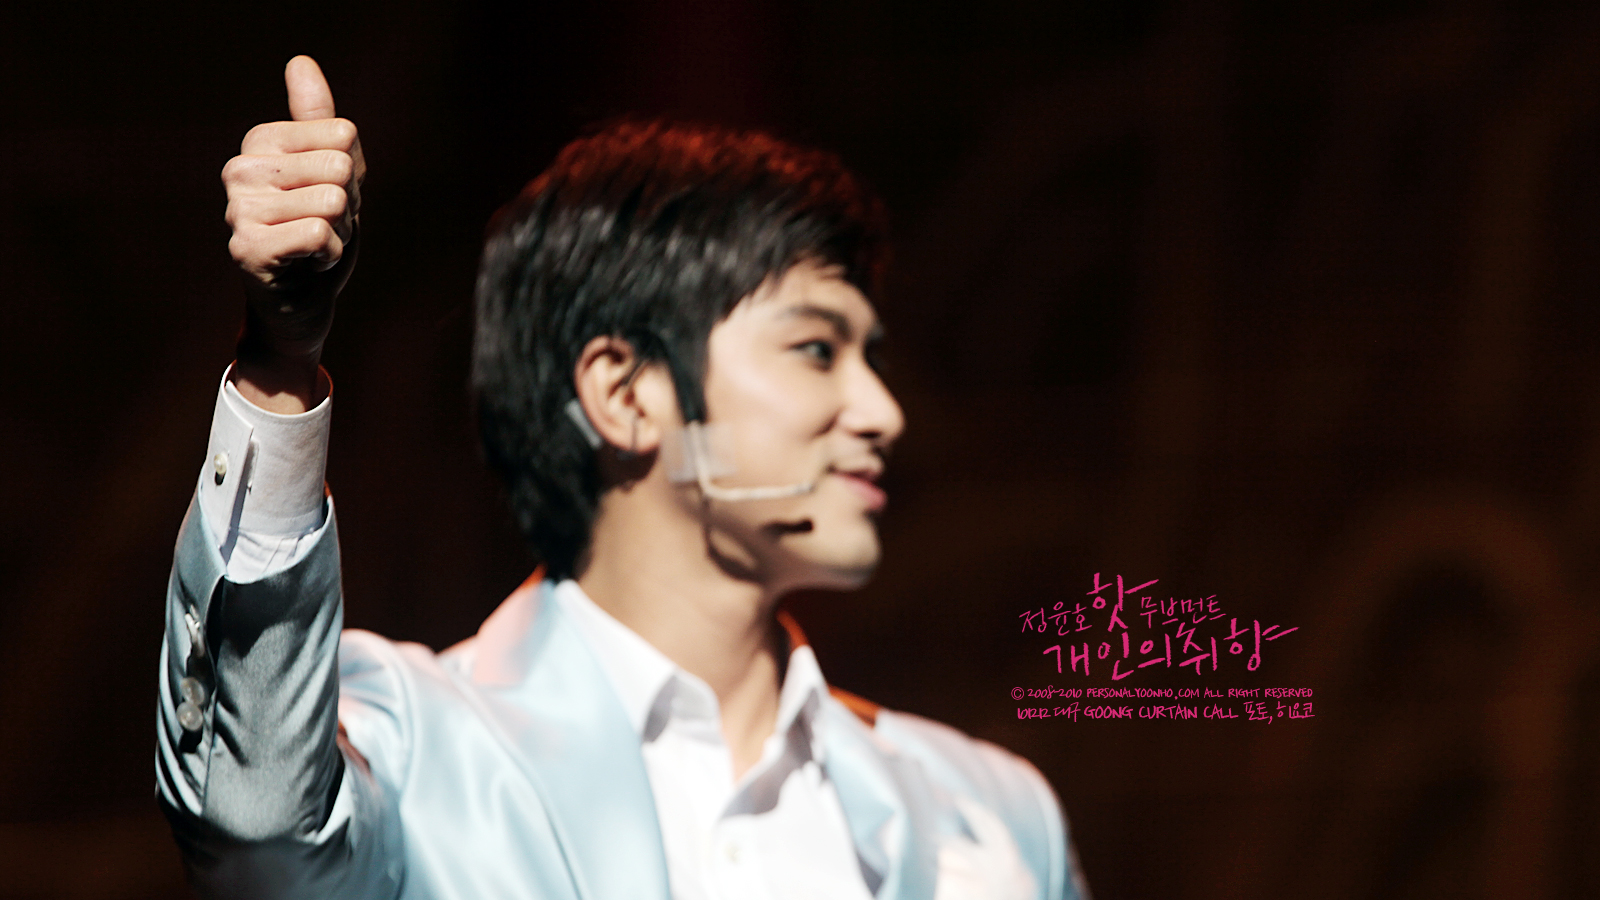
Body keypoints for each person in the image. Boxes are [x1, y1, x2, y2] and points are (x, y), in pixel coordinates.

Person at [156, 55, 1089, 900]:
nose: (881, 411)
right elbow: (257, 827)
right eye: (816, 348)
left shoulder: (993, 813)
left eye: (869, 357)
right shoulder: (415, 745)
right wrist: (280, 364)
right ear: (625, 393)